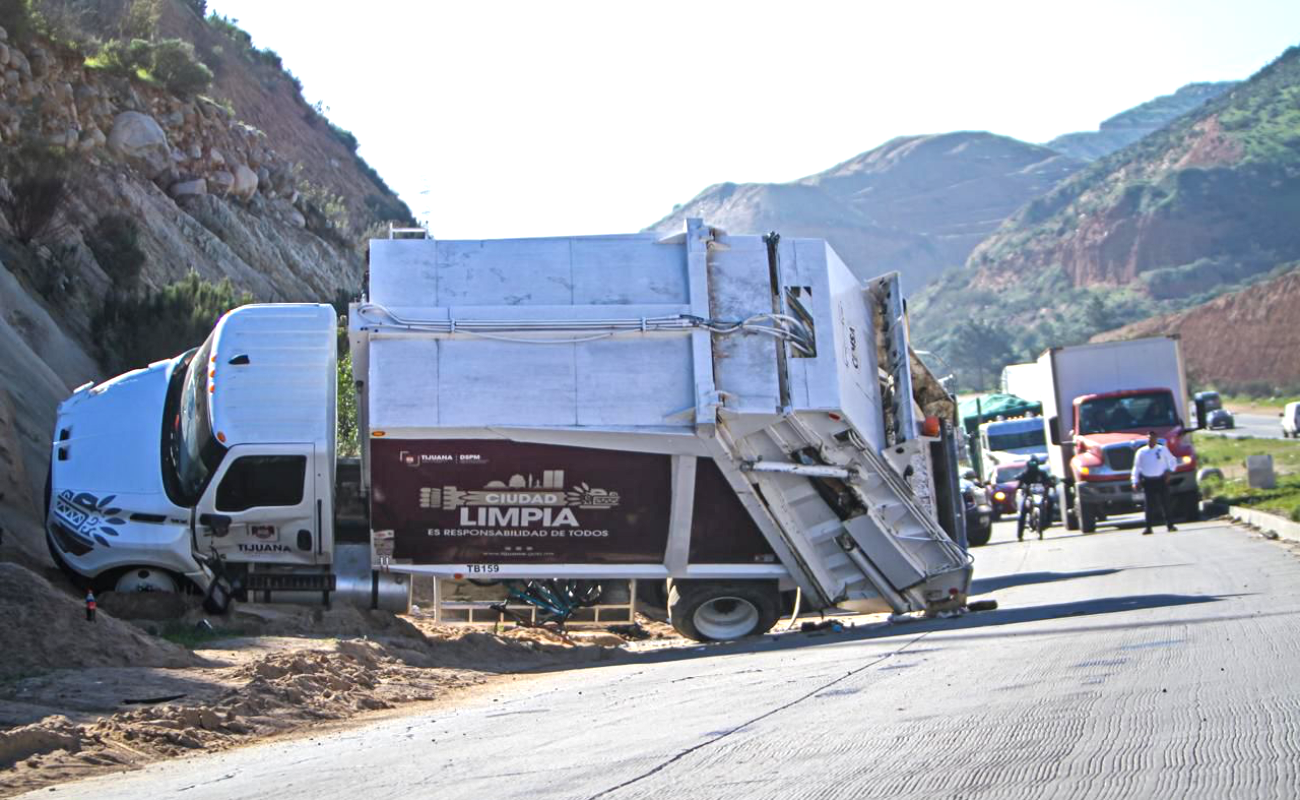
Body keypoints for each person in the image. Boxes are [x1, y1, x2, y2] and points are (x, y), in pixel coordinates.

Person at [1131, 431, 1178, 535]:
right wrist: (1135, 481)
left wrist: (1170, 471)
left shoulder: (1162, 449)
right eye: (1149, 438)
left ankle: (1170, 525)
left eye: (1153, 438)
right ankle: (1148, 527)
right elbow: (1136, 467)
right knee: (1149, 506)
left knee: (1165, 504)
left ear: (1156, 439)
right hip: (1148, 481)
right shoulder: (1141, 452)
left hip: (1161, 480)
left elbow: (1172, 460)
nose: (1151, 440)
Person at [1013, 456, 1054, 541]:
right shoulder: (1025, 474)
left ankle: (1048, 521)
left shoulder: (1042, 473)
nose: (1033, 465)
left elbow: (1048, 481)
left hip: (1041, 495)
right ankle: (1020, 535)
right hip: (1029, 496)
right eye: (1031, 463)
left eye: (1034, 463)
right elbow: (1019, 483)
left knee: (1051, 501)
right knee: (1022, 512)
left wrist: (1050, 484)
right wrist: (1019, 486)